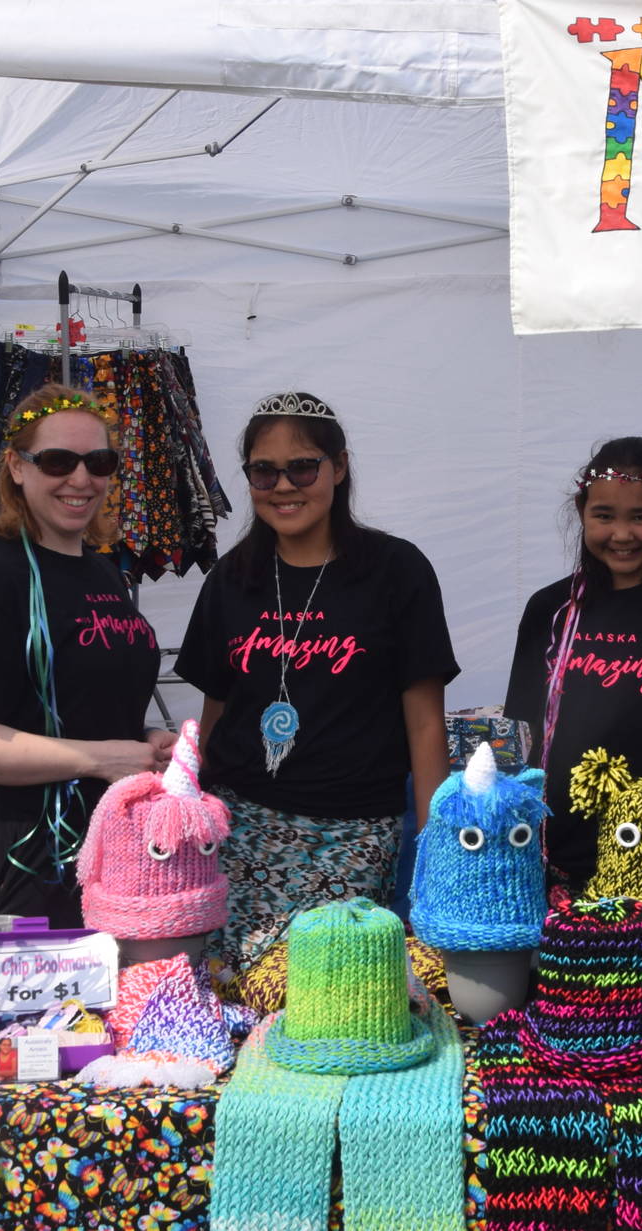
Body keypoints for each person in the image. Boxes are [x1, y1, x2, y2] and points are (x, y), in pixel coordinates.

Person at [176, 391, 457, 970]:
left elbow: (426, 722)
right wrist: (191, 821)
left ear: (340, 467)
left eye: (303, 467)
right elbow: (215, 712)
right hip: (239, 823)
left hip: (353, 830)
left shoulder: (395, 570)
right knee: (232, 987)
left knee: (327, 989)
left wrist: (436, 849)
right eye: (264, 471)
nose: (284, 486)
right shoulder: (233, 577)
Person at [0, 384, 173, 926]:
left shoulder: (104, 572)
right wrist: (102, 757)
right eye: (59, 461)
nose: (81, 479)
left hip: (114, 852)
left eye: (99, 461)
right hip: (31, 864)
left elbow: (93, 699)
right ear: (17, 467)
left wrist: (146, 743)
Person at [503, 437, 642, 887]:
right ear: (581, 512)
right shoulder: (550, 608)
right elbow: (523, 734)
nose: (621, 535)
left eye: (641, 517)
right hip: (554, 855)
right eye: (603, 516)